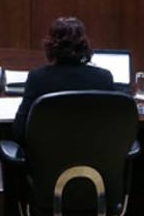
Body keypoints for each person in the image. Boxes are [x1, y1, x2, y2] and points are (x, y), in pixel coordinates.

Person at [12, 17, 115, 145]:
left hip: (46, 155)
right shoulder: (104, 78)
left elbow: (19, 131)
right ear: (84, 45)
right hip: (95, 155)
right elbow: (113, 128)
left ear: (50, 46)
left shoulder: (38, 78)